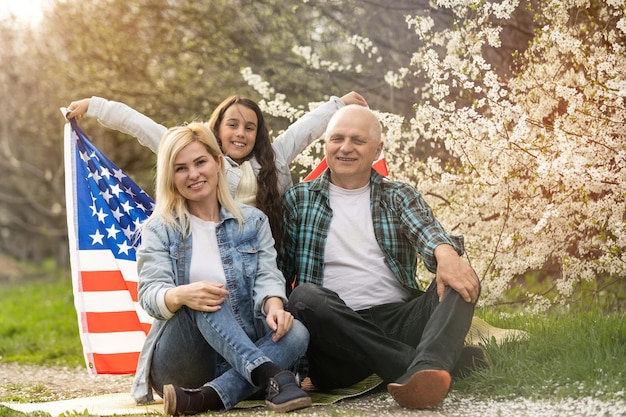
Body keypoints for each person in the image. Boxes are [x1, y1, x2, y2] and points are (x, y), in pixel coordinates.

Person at [279, 105, 483, 410]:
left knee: (460, 277)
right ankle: (421, 365)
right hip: (335, 338)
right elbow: (280, 273)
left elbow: (427, 231)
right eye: (337, 139)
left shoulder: (398, 195)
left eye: (357, 141)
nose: (345, 148)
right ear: (326, 145)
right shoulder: (299, 199)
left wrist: (447, 255)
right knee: (304, 296)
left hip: (401, 320)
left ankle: (426, 365)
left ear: (378, 149)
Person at [133, 122, 311, 414]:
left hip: (239, 351)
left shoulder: (253, 222)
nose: (193, 174)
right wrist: (181, 295)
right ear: (171, 176)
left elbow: (268, 275)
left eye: (200, 162)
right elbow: (150, 293)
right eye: (181, 168)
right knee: (203, 295)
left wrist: (275, 305)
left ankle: (205, 399)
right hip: (182, 362)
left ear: (217, 163)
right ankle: (270, 376)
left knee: (297, 332)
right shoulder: (160, 228)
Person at [66, 92, 368, 245]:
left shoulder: (272, 160)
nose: (240, 133)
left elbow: (305, 129)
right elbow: (143, 127)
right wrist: (96, 105)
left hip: (263, 255)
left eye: (249, 128)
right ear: (218, 128)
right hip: (212, 248)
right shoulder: (200, 156)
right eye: (232, 125)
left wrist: (338, 105)